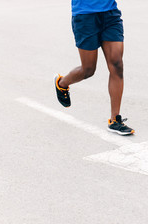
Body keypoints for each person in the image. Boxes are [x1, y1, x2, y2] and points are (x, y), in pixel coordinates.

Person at [54, 0, 135, 135]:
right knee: (88, 70)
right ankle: (62, 83)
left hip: (110, 14)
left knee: (117, 65)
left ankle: (115, 120)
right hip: (85, 16)